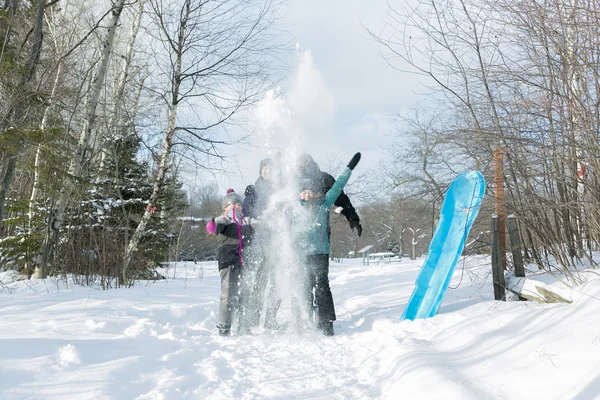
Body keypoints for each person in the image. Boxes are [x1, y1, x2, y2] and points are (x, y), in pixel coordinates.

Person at [299, 152, 361, 336]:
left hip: (320, 246)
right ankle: (304, 321)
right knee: (303, 285)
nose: (307, 192)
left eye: (301, 161)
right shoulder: (294, 202)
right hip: (300, 250)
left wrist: (353, 217)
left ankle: (326, 322)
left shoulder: (323, 192)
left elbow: (338, 192)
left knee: (321, 283)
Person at [206, 189, 254, 336]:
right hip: (227, 261)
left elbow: (258, 224)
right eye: (234, 204)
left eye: (239, 204)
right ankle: (224, 326)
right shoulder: (224, 219)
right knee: (228, 293)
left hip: (243, 261)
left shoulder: (245, 221)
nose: (238, 206)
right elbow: (213, 227)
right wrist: (213, 224)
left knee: (244, 293)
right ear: (225, 207)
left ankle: (244, 325)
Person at [242, 158, 282, 330]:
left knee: (277, 281)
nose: (268, 171)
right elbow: (245, 212)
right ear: (260, 171)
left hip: (277, 241)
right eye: (265, 168)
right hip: (259, 241)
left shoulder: (280, 189)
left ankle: (271, 319)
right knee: (259, 281)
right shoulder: (253, 189)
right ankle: (253, 318)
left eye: (271, 168)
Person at [296, 153, 362, 239]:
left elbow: (340, 198)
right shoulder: (291, 182)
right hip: (297, 239)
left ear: (307, 162)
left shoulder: (323, 178)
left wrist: (352, 218)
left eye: (300, 161)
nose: (297, 165)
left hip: (321, 236)